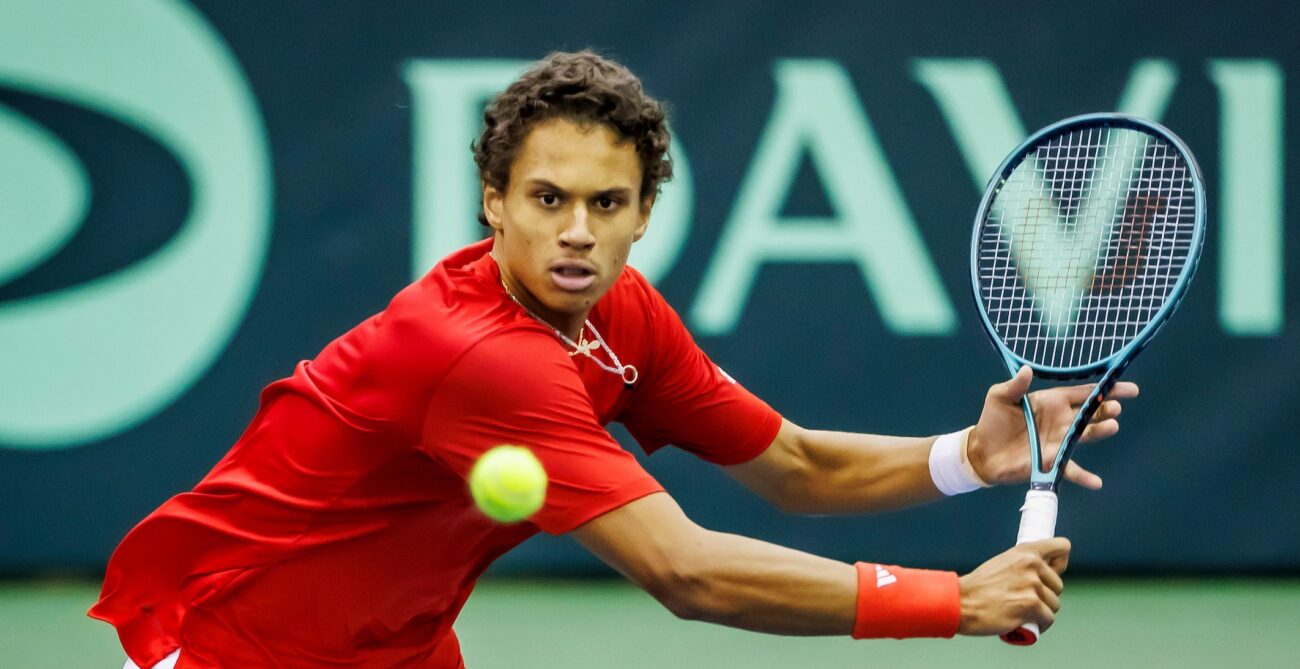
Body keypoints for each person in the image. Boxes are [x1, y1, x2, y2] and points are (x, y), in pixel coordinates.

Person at [90, 50, 1137, 669]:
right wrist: (951, 602)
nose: (577, 232)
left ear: (643, 215)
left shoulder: (618, 313)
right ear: (493, 202)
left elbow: (796, 469)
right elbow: (687, 573)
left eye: (606, 204)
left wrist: (968, 453)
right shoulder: (476, 355)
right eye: (547, 200)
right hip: (238, 654)